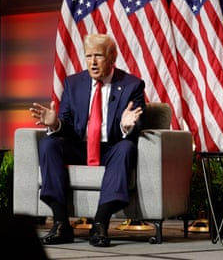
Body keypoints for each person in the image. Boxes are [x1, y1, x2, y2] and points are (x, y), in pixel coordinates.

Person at [29, 33, 146, 247]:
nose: (92, 62)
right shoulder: (73, 84)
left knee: (126, 148)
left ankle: (100, 223)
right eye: (88, 56)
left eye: (98, 56)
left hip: (110, 147)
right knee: (48, 143)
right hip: (79, 146)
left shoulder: (132, 85)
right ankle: (61, 223)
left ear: (112, 57)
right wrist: (55, 124)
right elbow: (67, 124)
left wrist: (126, 125)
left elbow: (137, 123)